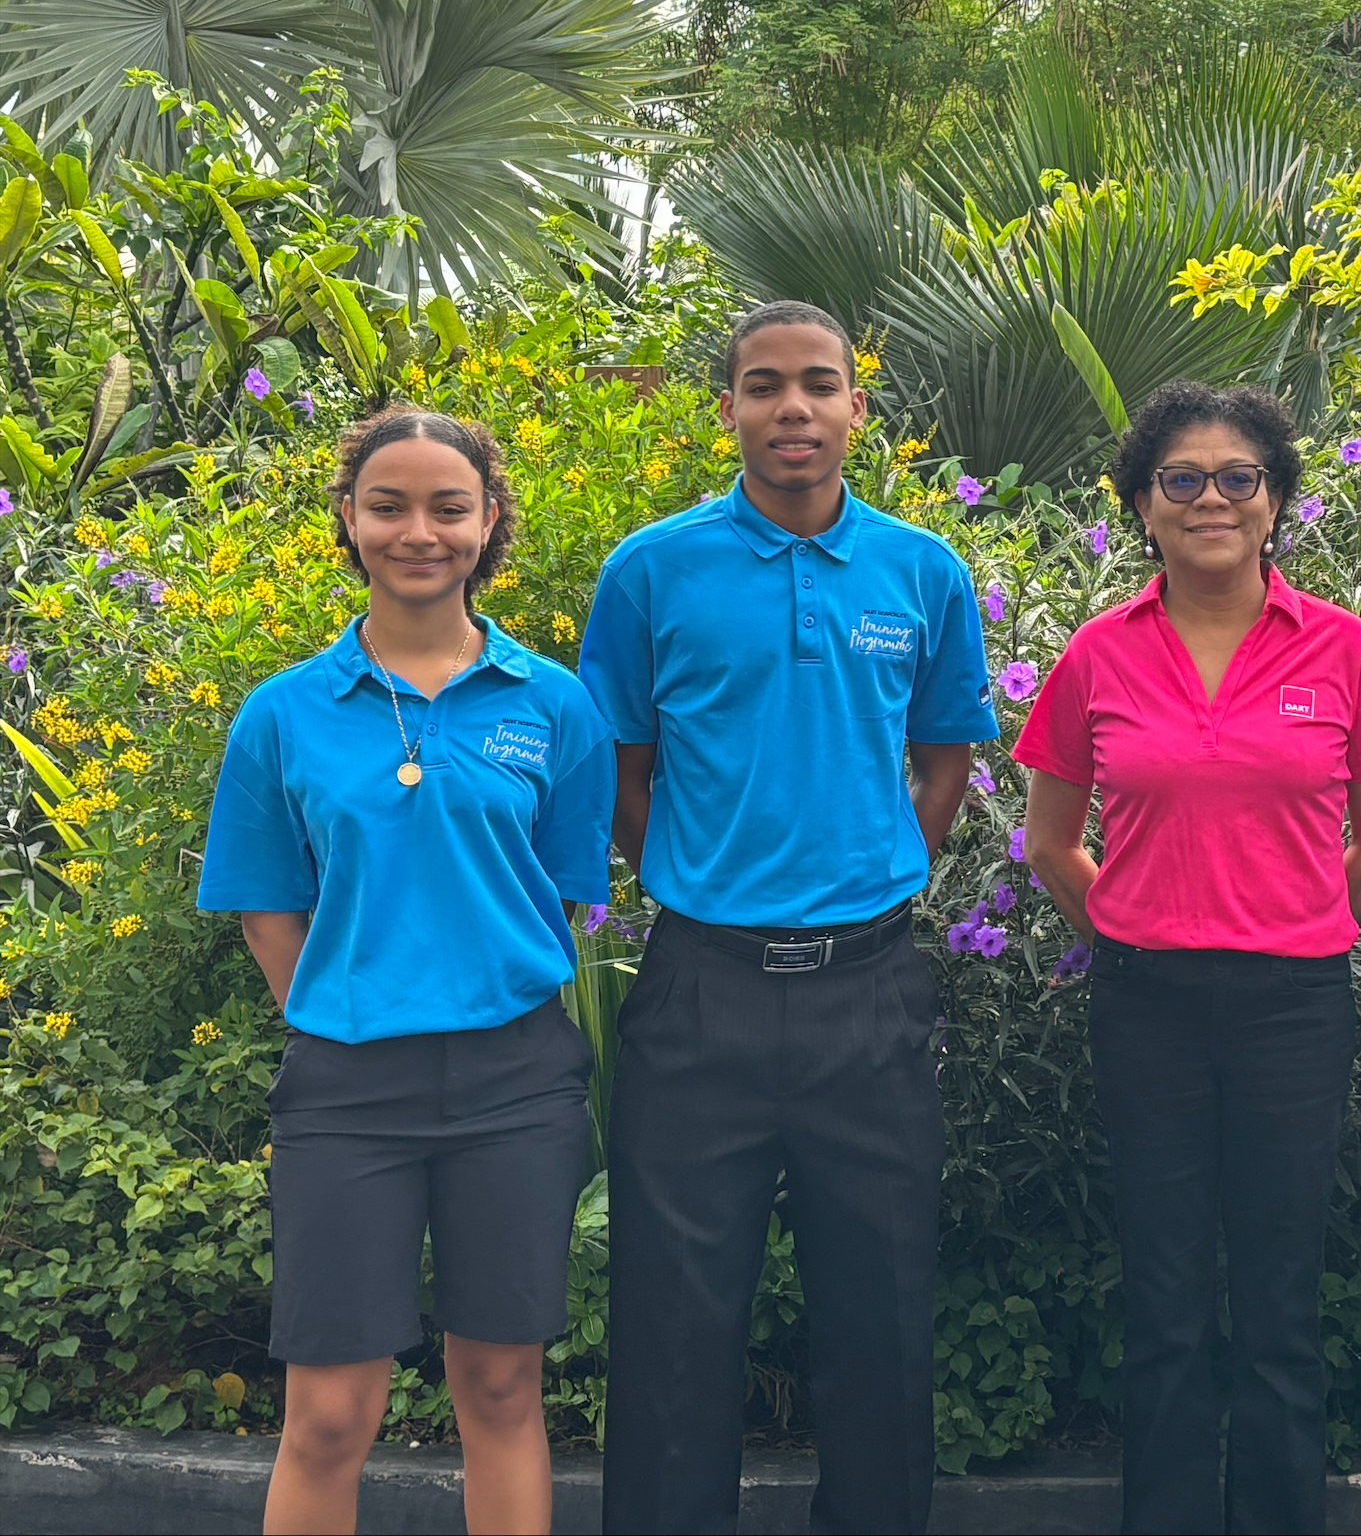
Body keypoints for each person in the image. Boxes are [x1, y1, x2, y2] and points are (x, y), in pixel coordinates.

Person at [580, 299, 998, 1536]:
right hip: (698, 984)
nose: (793, 408)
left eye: (819, 384)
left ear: (858, 409)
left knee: (878, 1310)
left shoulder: (921, 571)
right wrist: (692, 882)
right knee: (670, 1316)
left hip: (867, 993)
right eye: (764, 386)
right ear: (728, 411)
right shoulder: (650, 571)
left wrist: (874, 871)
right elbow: (623, 767)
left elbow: (942, 761)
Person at [197, 408, 613, 1536]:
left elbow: (567, 890)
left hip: (516, 1083)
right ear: (349, 518)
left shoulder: (553, 705)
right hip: (346, 1090)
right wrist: (345, 1006)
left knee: (499, 1388)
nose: (417, 530)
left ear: (487, 523)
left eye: (447, 506)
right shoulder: (284, 713)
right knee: (332, 1409)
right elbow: (266, 904)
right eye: (388, 504)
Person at [1016, 381, 1361, 1535]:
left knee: (1281, 1299)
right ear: (1142, 505)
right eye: (1180, 479)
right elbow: (1050, 843)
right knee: (1164, 1295)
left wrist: (1290, 917)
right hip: (1144, 1002)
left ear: (1275, 500)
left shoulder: (1338, 648)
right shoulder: (1097, 654)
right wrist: (1141, 922)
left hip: (1294, 1005)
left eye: (1237, 477)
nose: (1209, 498)